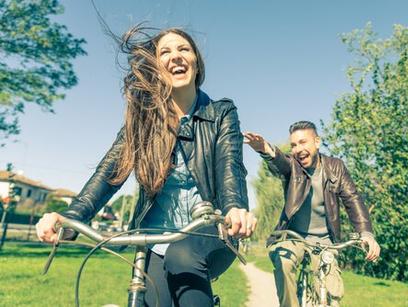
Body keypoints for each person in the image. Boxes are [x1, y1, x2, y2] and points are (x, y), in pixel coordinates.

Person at [36, 27, 256, 307]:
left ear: (197, 62)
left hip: (210, 229)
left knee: (182, 256)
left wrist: (234, 208)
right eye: (165, 52)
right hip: (154, 237)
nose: (176, 56)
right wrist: (70, 219)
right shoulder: (144, 119)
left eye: (184, 49)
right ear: (156, 67)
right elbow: (109, 173)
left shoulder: (221, 112)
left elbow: (230, 166)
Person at [244, 121, 380, 307]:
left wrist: (366, 234)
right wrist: (265, 149)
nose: (298, 149)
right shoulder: (293, 167)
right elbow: (281, 162)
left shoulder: (336, 167)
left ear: (317, 142)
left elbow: (352, 199)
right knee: (283, 261)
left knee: (332, 297)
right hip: (295, 238)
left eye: (303, 142)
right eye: (294, 145)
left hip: (326, 241)